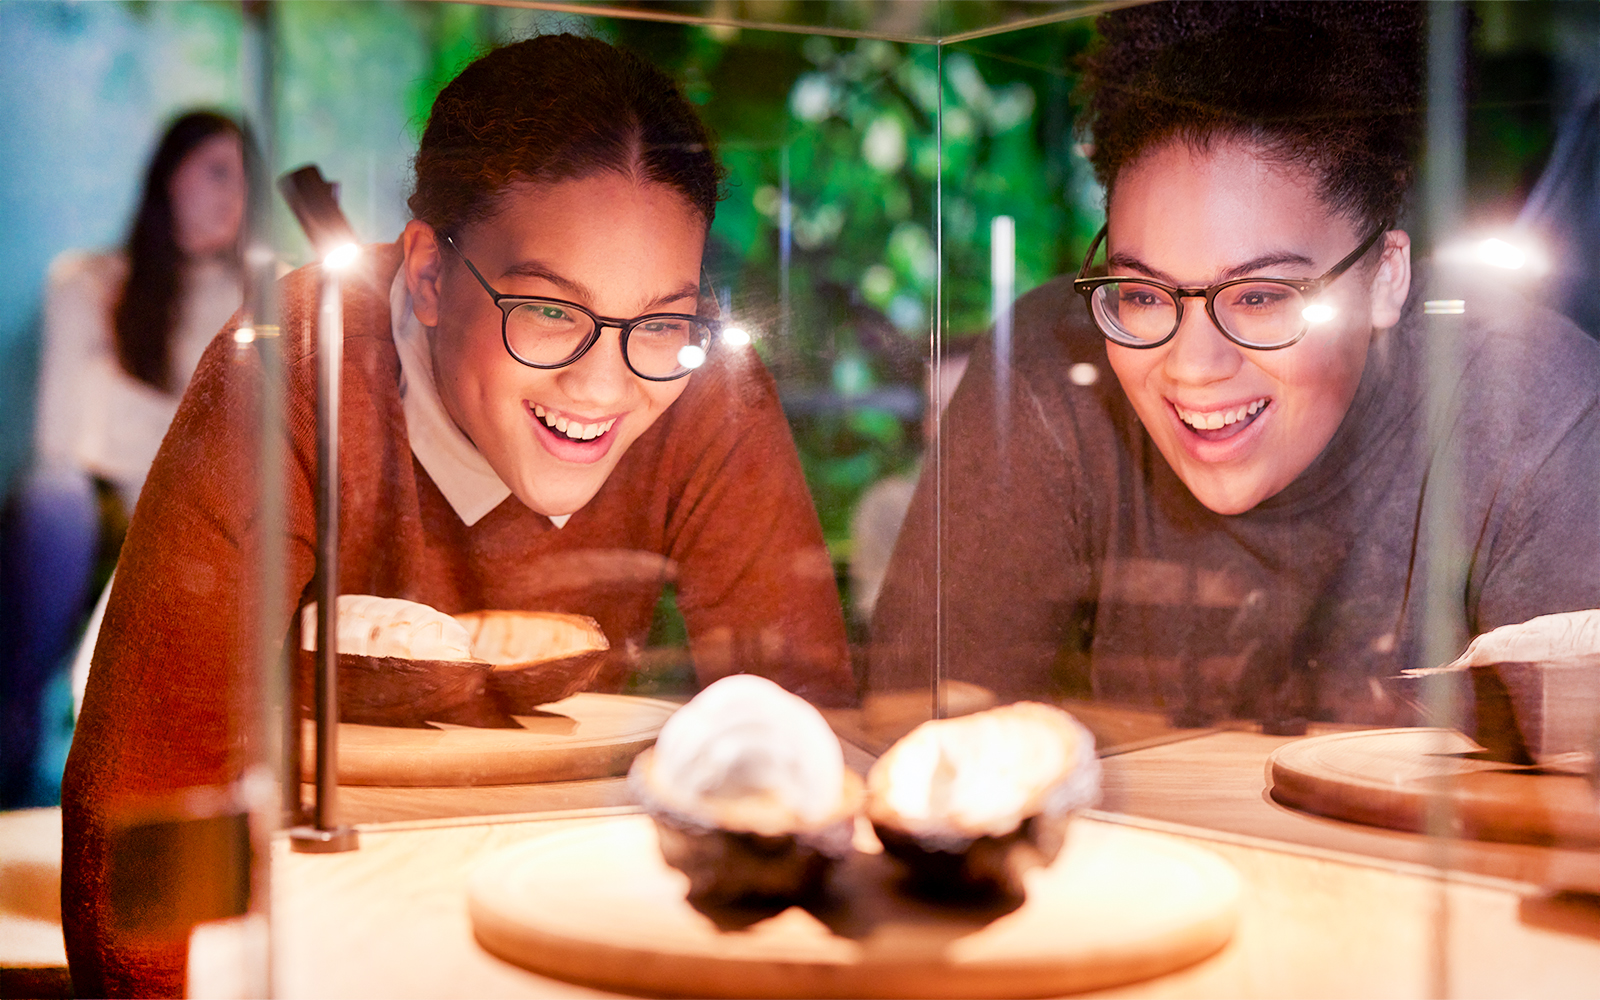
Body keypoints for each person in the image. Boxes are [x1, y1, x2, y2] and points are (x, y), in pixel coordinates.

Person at [62, 35, 852, 997]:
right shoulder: (294, 362)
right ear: (429, 275)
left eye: (661, 322)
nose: (604, 384)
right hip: (312, 925)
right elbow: (144, 811)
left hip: (599, 918)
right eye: (550, 310)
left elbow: (813, 743)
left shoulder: (703, 390)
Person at [871, 1, 1600, 729]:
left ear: (1386, 276)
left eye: (1258, 296)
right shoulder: (1048, 371)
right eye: (1143, 294)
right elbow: (922, 758)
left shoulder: (1531, 404)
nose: (1192, 366)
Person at [0, 111, 250, 808]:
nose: (235, 195)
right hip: (117, 504)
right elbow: (65, 435)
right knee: (51, 502)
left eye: (245, 179)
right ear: (168, 177)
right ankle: (14, 781)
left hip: (215, 511)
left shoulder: (265, 295)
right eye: (217, 172)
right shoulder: (91, 282)